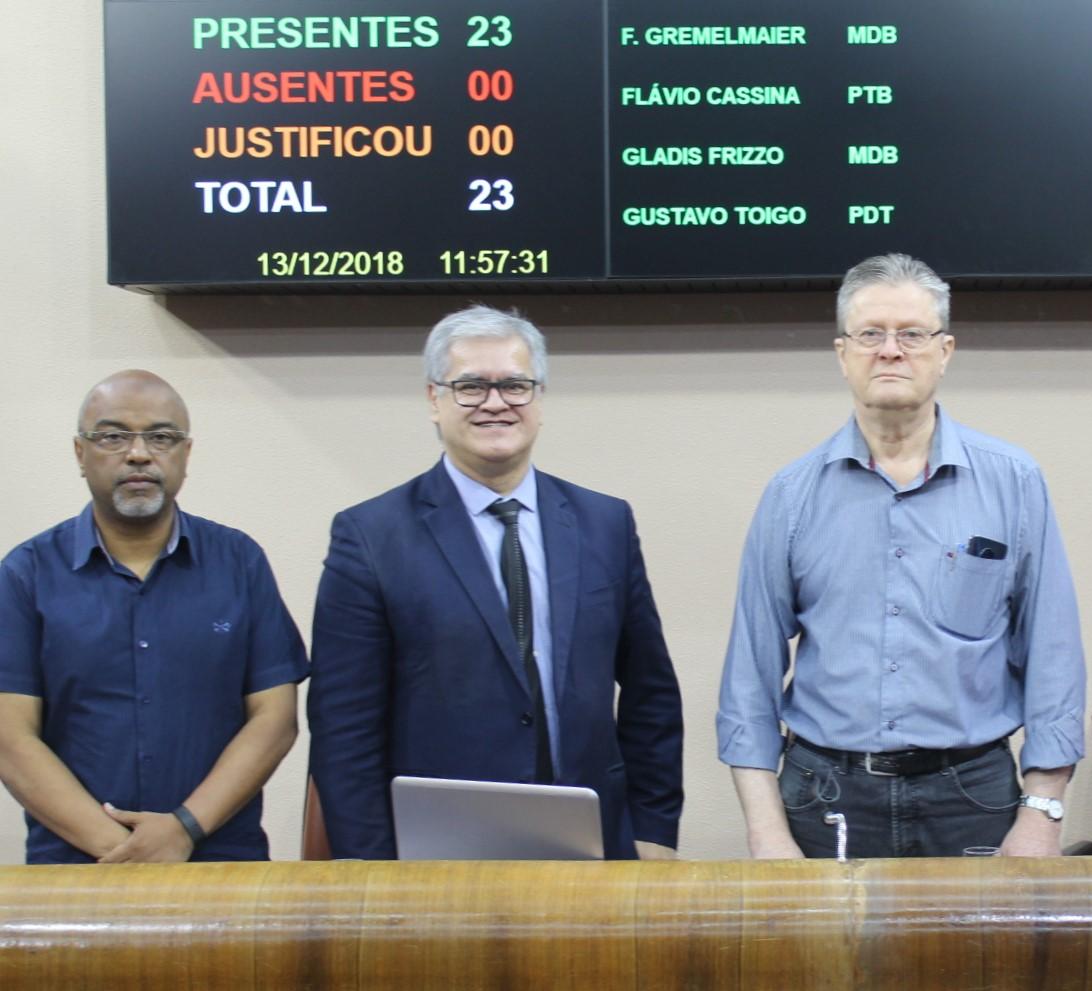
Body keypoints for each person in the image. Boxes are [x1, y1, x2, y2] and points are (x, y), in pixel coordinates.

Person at [718, 253, 1087, 859]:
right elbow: (747, 684)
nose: (891, 350)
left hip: (973, 796)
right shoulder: (790, 497)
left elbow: (1053, 661)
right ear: (843, 355)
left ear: (944, 352)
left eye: (912, 334)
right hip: (823, 796)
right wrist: (766, 832)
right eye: (871, 335)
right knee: (824, 959)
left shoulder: (1015, 483)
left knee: (981, 960)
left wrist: (1043, 813)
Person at [308, 306, 684, 860]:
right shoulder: (370, 535)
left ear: (539, 399)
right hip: (434, 854)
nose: (495, 402)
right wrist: (371, 866)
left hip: (590, 845)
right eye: (470, 386)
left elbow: (651, 695)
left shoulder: (604, 524)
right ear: (434, 400)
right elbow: (343, 727)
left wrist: (652, 830)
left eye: (515, 384)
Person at [0, 371, 306, 863]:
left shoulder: (239, 562)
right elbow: (10, 737)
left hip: (218, 859)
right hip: (77, 867)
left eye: (161, 437)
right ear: (80, 453)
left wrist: (182, 830)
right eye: (113, 436)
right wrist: (124, 850)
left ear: (185, 454)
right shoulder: (26, 573)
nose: (139, 453)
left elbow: (275, 719)